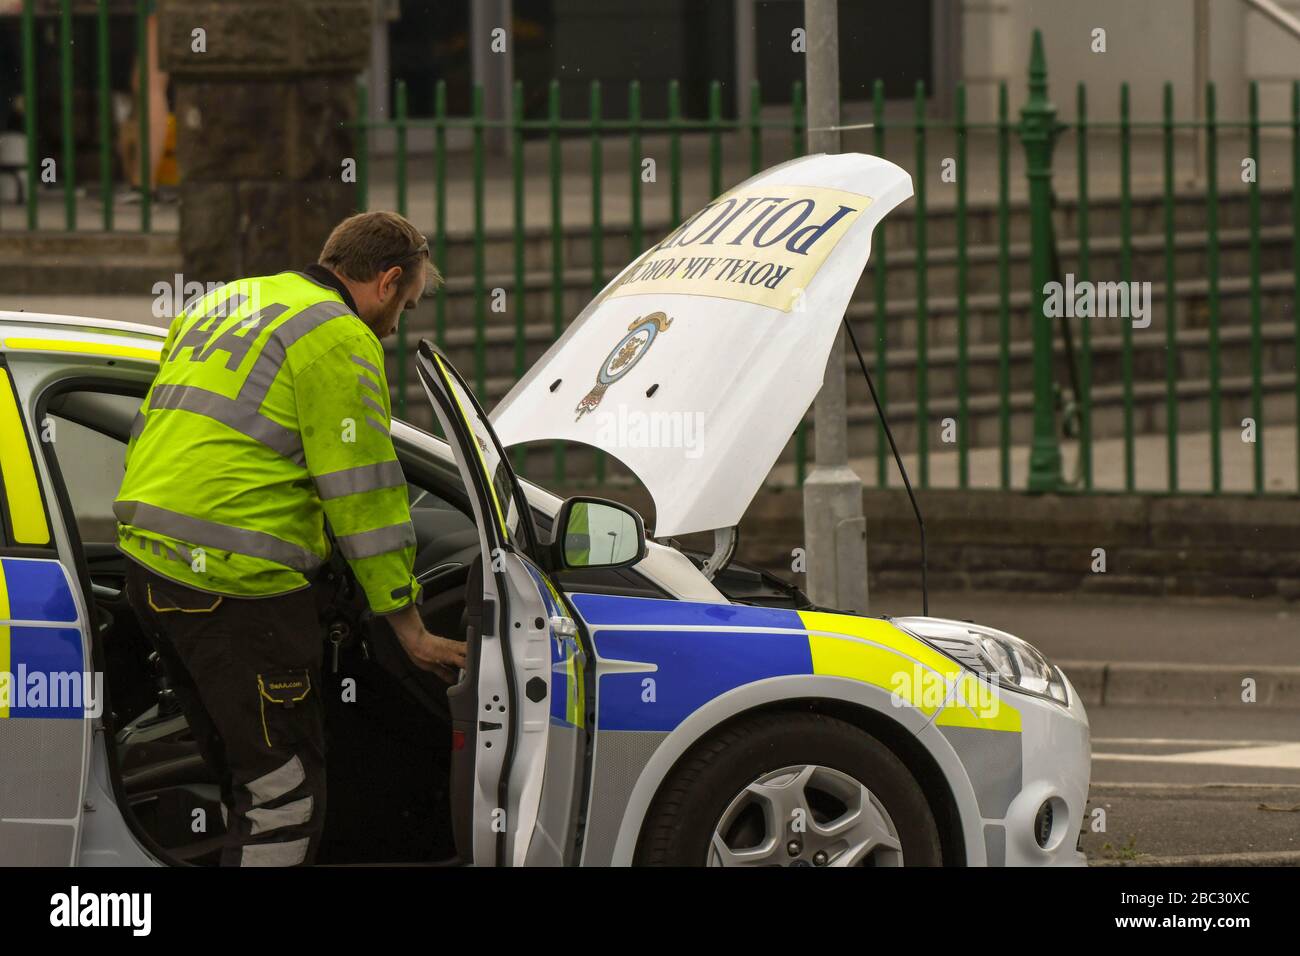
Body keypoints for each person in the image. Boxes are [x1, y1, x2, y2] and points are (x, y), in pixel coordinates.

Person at [116, 211, 466, 867]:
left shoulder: (231, 300)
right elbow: (364, 490)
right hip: (237, 586)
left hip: (151, 568)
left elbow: (182, 428)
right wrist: (408, 625)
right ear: (387, 281)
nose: (394, 327)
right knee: (284, 799)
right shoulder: (338, 335)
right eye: (406, 306)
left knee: (242, 780)